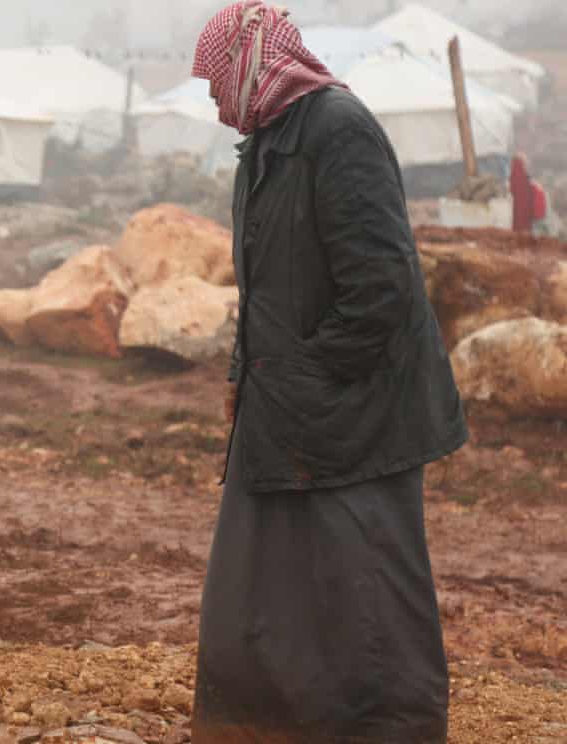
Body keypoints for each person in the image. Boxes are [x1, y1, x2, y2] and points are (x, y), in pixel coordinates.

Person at [191, 3, 469, 742]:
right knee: (263, 589)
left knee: (364, 595)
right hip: (285, 409)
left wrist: (307, 378)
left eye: (216, 82)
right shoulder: (267, 143)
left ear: (250, 65)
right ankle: (271, 724)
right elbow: (268, 290)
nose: (214, 102)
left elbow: (381, 286)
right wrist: (241, 376)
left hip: (357, 417)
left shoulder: (337, 130)